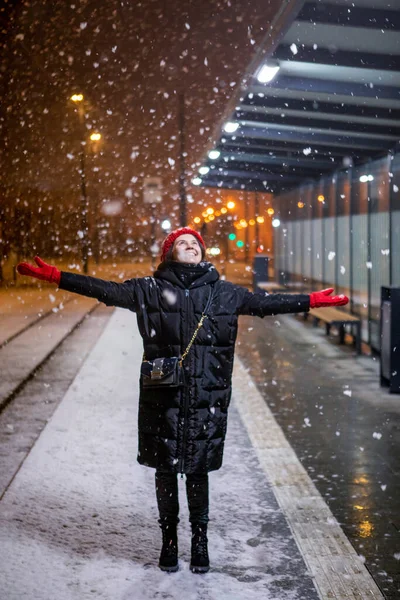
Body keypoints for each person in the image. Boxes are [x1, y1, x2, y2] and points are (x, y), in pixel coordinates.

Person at [17, 227, 349, 574]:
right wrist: (58, 277)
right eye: (182, 243)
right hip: (164, 396)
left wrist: (310, 300)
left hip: (207, 397)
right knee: (165, 469)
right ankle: (169, 540)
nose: (190, 246)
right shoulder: (150, 290)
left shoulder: (224, 293)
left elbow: (265, 304)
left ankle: (200, 541)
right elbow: (106, 290)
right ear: (169, 254)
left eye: (195, 244)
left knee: (197, 469)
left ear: (202, 253)